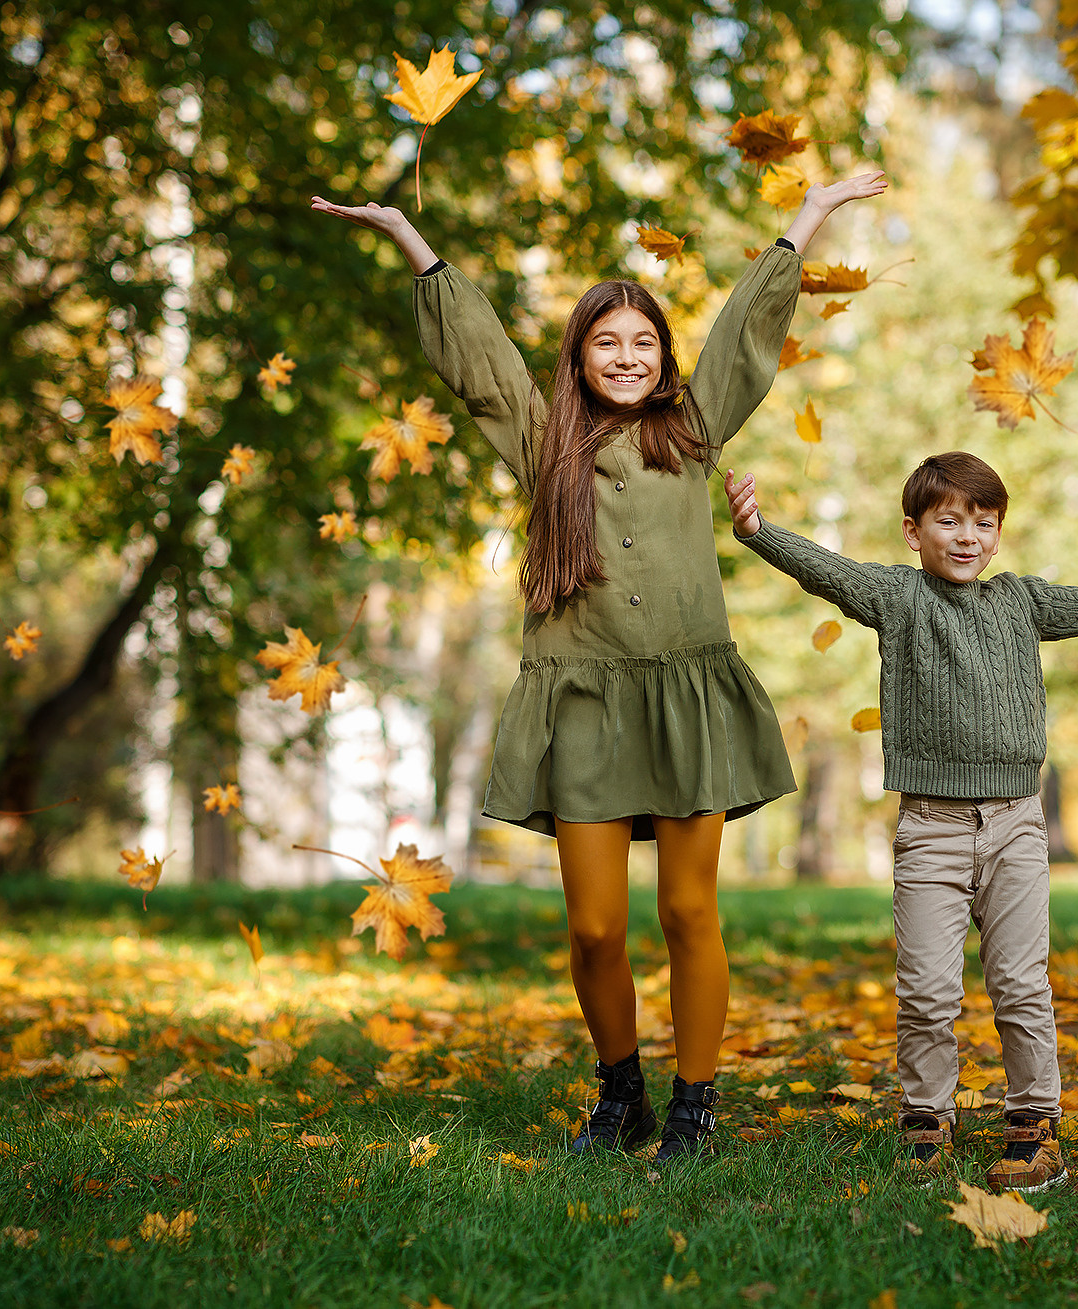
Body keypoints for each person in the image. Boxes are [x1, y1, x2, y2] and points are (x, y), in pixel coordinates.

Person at [314, 172, 888, 1161]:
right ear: (579, 357)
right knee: (593, 929)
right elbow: (481, 361)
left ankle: (694, 1105)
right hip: (581, 698)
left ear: (662, 356)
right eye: (606, 342)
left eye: (643, 342)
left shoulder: (693, 427)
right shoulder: (544, 441)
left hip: (685, 696)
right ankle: (621, 1092)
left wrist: (812, 213)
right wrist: (411, 238)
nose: (626, 357)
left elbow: (745, 332)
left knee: (687, 909)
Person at [724, 452, 1078, 1191]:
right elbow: (827, 570)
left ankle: (1034, 1126)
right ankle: (926, 1121)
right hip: (931, 828)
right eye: (949, 521)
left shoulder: (1022, 601)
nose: (968, 537)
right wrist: (757, 531)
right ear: (914, 531)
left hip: (1017, 825)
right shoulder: (898, 597)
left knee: (1022, 985)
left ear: (997, 533)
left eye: (984, 523)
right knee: (925, 991)